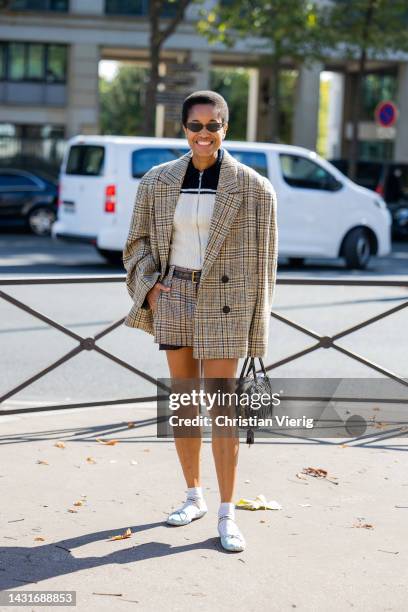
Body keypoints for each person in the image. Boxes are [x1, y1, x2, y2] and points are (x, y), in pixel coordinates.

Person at [123, 90, 278, 552]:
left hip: (226, 301)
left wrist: (256, 331)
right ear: (184, 129)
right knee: (185, 403)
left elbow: (264, 266)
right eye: (196, 125)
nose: (204, 134)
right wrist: (150, 287)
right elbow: (136, 245)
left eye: (213, 125)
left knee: (222, 406)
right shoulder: (157, 181)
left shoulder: (253, 188)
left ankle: (228, 514)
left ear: (225, 128)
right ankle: (193, 496)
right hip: (174, 295)